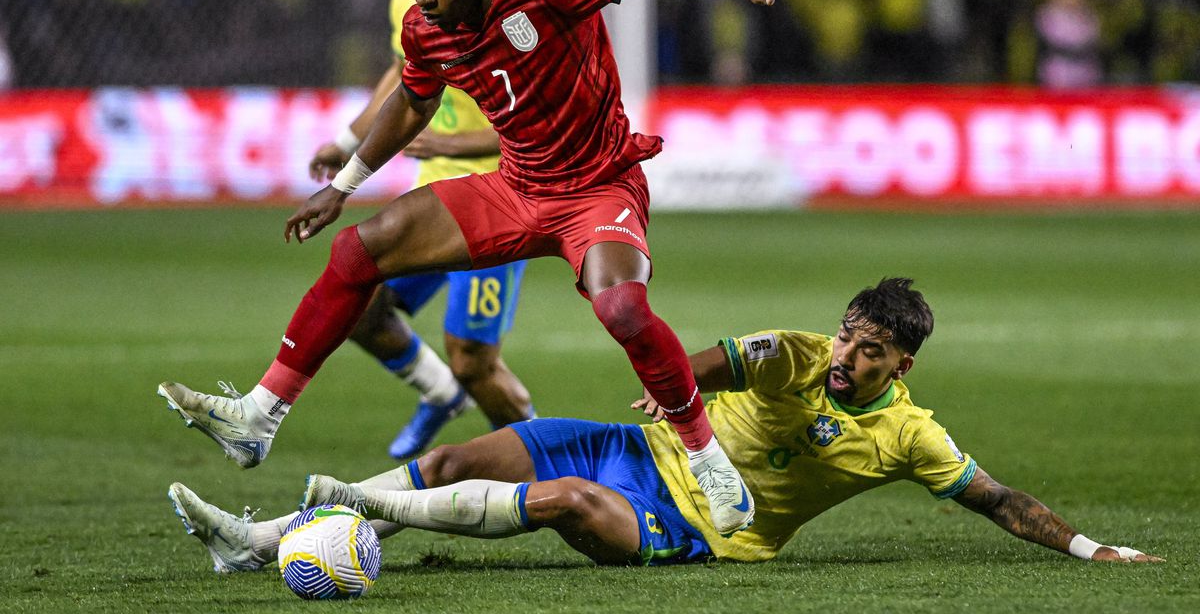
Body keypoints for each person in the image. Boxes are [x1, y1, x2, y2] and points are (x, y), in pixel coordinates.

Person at [157, 0, 824, 536]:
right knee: (361, 250)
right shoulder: (422, 29)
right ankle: (259, 415)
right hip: (517, 187)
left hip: (597, 187)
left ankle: (706, 460)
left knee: (621, 309)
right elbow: (413, 105)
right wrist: (345, 184)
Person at [167, 278, 1162, 570]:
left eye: (868, 351)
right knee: (447, 454)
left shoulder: (913, 435)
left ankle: (350, 510)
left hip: (702, 526)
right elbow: (728, 356)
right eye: (848, 335)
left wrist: (1088, 544)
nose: (846, 354)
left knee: (557, 503)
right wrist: (677, 389)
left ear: (902, 365)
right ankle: (253, 542)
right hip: (636, 444)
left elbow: (997, 499)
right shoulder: (802, 349)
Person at [307, 0, 534, 460]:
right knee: (360, 307)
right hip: (433, 196)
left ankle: (555, 456)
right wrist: (348, 139)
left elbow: (540, 120)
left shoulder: (521, 14)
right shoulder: (412, 4)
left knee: (475, 362)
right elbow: (402, 78)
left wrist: (456, 143)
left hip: (500, 202)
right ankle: (438, 392)